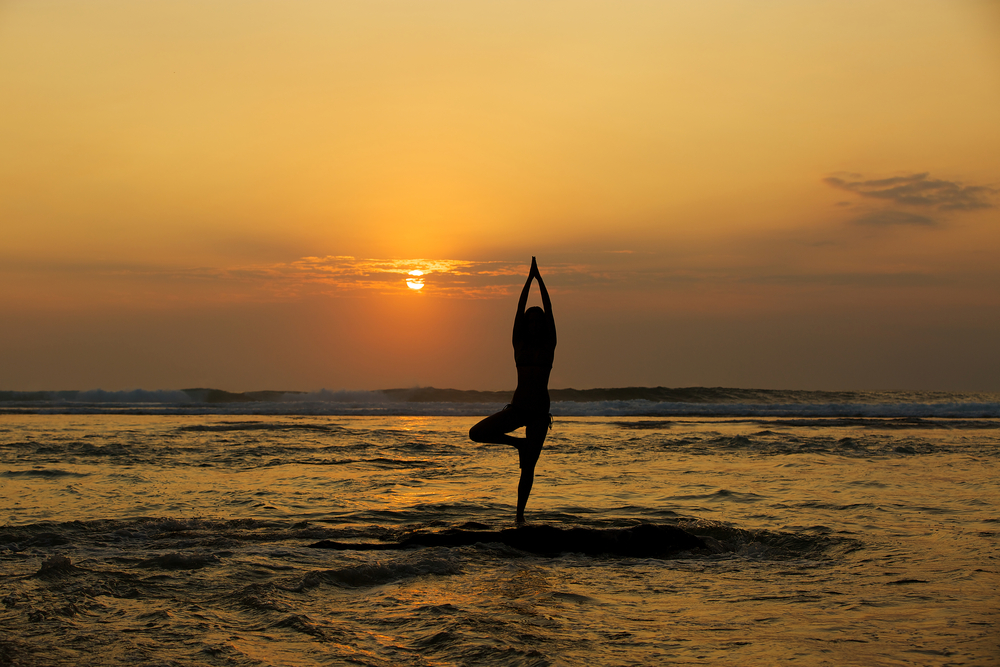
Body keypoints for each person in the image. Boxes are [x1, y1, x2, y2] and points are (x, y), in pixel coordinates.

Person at [469, 256, 556, 524]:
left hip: (540, 413)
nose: (534, 324)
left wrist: (539, 280)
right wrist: (527, 281)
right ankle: (517, 443)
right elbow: (518, 311)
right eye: (531, 321)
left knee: (528, 469)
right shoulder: (518, 344)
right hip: (518, 409)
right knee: (477, 433)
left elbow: (549, 310)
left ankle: (519, 517)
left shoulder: (549, 345)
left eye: (537, 321)